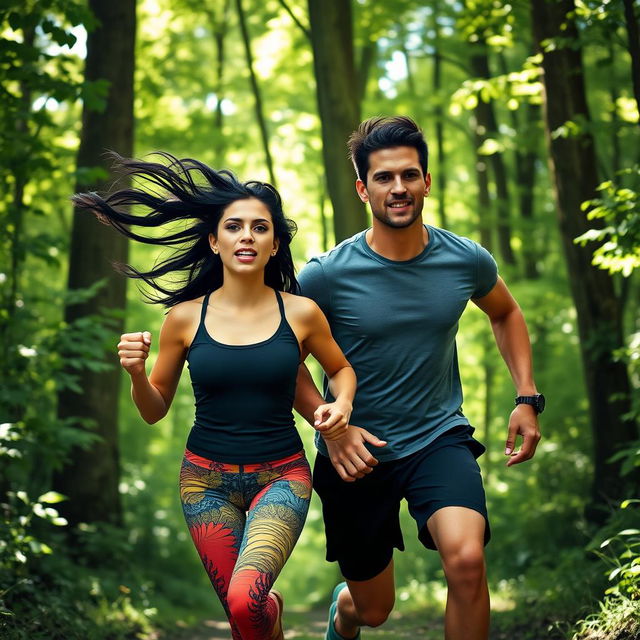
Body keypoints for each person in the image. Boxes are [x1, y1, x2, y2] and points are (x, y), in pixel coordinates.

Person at [74, 153, 356, 640]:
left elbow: (341, 369)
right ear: (214, 241)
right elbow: (153, 410)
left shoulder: (303, 313)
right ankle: (270, 617)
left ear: (274, 245)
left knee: (246, 602)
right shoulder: (183, 319)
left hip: (281, 476)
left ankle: (267, 609)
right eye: (234, 226)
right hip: (204, 482)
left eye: (259, 228)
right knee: (243, 615)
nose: (246, 235)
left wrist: (342, 405)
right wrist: (137, 374)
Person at [293, 116, 543, 640]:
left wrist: (526, 395)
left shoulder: (463, 258)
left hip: (437, 437)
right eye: (384, 177)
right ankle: (347, 609)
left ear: (427, 181)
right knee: (375, 610)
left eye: (410, 175)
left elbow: (506, 313)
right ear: (363, 189)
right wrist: (332, 429)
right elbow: (284, 358)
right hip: (355, 453)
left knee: (468, 561)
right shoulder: (326, 274)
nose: (399, 188)